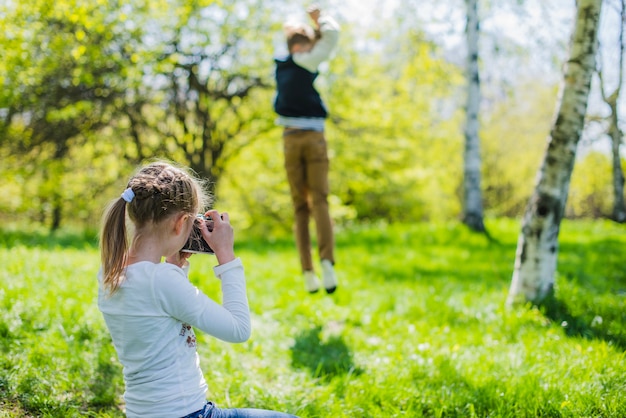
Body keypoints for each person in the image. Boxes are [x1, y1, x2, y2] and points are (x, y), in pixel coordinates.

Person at [97, 161, 298, 418]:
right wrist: (226, 255)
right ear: (181, 223)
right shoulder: (163, 281)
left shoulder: (110, 273)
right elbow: (238, 329)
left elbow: (155, 315)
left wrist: (175, 266)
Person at [273, 6, 340, 294]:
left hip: (289, 138)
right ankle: (326, 262)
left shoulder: (281, 64)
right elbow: (332, 35)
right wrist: (319, 19)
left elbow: (289, 30)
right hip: (313, 138)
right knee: (320, 200)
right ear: (303, 47)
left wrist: (299, 27)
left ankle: (308, 272)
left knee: (300, 208)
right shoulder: (306, 60)